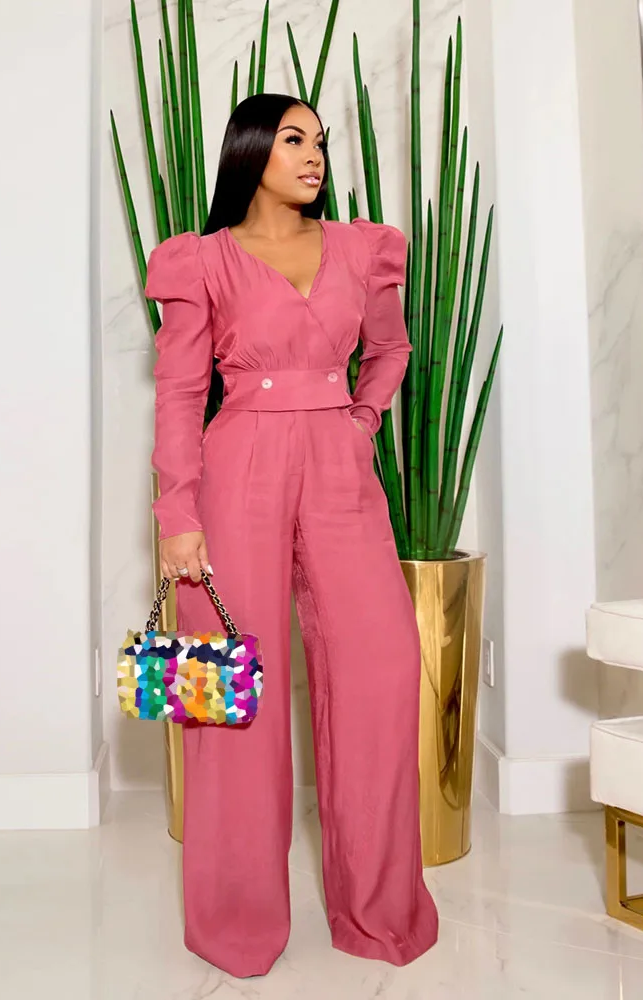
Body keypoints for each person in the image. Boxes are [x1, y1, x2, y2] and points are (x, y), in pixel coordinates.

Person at [144, 93, 438, 979]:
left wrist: (361, 420)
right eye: (293, 138)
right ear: (250, 151)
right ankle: (235, 921)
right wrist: (177, 516)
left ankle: (379, 911)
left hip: (341, 472)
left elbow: (390, 349)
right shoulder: (201, 260)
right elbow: (179, 395)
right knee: (233, 698)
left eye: (320, 141)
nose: (314, 155)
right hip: (237, 472)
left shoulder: (361, 248)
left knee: (381, 674)